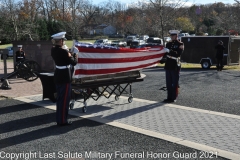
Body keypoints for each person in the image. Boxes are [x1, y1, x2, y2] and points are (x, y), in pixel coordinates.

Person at [51, 32, 78, 126]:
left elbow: (64, 58)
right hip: (65, 77)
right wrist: (75, 54)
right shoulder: (64, 52)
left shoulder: (53, 50)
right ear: (61, 41)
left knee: (60, 99)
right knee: (64, 100)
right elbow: (74, 62)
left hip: (58, 75)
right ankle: (63, 121)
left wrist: (68, 53)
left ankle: (60, 119)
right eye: (63, 40)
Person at [163, 30, 184, 103]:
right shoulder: (168, 44)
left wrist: (169, 51)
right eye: (171, 35)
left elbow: (178, 54)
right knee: (168, 83)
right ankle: (169, 97)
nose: (172, 37)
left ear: (176, 36)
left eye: (173, 35)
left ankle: (174, 97)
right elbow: (165, 54)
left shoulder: (180, 44)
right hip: (168, 65)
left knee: (174, 83)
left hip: (175, 65)